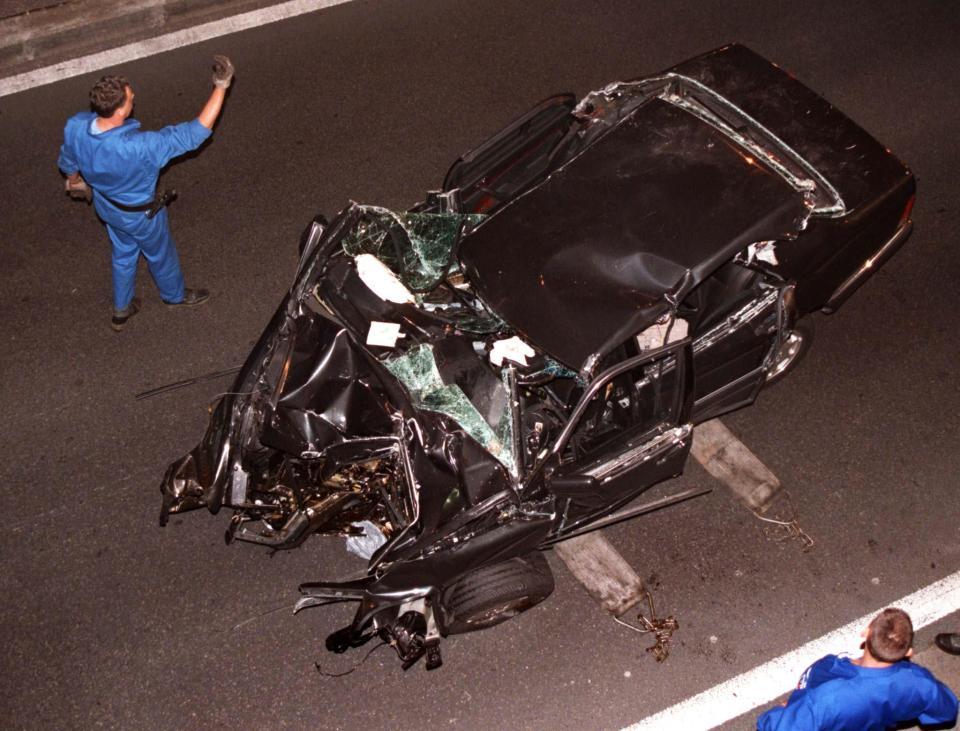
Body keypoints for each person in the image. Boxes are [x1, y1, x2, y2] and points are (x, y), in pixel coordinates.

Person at [58, 55, 234, 330]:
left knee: (123, 252)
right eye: (130, 97)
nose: (134, 97)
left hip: (108, 207)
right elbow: (194, 134)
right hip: (142, 216)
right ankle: (174, 296)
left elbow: (68, 161)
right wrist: (221, 86)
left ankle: (122, 307)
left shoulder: (76, 127)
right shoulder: (140, 147)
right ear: (118, 111)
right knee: (160, 254)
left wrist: (75, 180)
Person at [757, 607, 958, 730]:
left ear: (865, 633)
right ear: (908, 652)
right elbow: (946, 711)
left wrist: (780, 712)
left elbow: (777, 726)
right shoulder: (920, 682)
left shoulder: (829, 688)